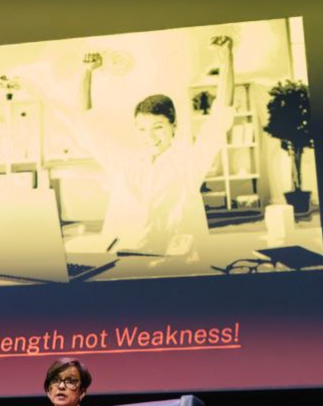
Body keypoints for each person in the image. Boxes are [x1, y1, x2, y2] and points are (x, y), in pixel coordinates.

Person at [86, 36, 237, 255]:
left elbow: (221, 115)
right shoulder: (124, 161)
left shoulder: (190, 162)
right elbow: (88, 123)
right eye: (142, 129)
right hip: (122, 258)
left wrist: (226, 58)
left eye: (158, 127)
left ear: (174, 125)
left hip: (177, 260)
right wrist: (87, 72)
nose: (150, 137)